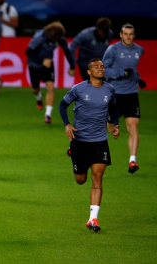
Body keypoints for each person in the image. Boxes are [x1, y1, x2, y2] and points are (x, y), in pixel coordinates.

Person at [58, 58, 120, 233]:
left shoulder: (110, 89)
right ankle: (72, 152)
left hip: (100, 142)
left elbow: (114, 107)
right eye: (96, 67)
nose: (100, 69)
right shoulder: (79, 89)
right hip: (79, 141)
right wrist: (67, 124)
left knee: (97, 178)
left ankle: (93, 218)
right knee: (80, 180)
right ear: (89, 72)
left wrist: (115, 124)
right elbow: (63, 105)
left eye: (102, 66)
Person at [102, 23, 145, 174]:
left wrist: (138, 79)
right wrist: (121, 73)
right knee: (111, 128)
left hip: (132, 94)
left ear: (134, 35)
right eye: (125, 34)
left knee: (133, 127)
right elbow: (104, 70)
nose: (128, 37)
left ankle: (132, 160)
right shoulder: (112, 50)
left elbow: (133, 70)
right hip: (115, 94)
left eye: (131, 34)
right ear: (120, 35)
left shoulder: (139, 50)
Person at [26, 21, 76, 124]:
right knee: (35, 89)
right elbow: (28, 52)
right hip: (34, 65)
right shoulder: (39, 37)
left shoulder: (59, 37)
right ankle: (38, 97)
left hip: (48, 65)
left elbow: (67, 51)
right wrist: (42, 61)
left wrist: (72, 66)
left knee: (50, 87)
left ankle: (47, 115)